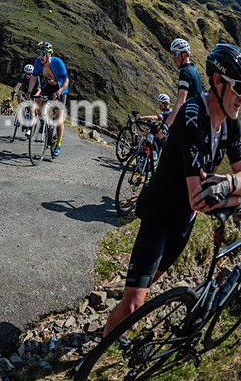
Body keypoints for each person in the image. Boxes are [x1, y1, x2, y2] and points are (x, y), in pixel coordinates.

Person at [100, 43, 241, 338]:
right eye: (239, 88)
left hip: (183, 225)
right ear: (217, 81)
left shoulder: (232, 122)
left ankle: (115, 336)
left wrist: (226, 184)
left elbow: (229, 181)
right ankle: (98, 349)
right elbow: (199, 197)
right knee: (132, 304)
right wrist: (232, 191)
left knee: (148, 287)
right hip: (159, 218)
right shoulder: (192, 116)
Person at [27, 41, 70, 158]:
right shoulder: (38, 62)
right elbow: (34, 77)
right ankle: (44, 120)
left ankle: (59, 144)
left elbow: (66, 80)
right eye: (38, 53)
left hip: (61, 88)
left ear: (49, 54)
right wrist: (29, 92)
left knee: (59, 118)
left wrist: (59, 92)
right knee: (38, 102)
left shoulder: (58, 63)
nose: (39, 56)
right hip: (49, 87)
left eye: (42, 53)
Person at [163, 38, 204, 138]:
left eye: (175, 54)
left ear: (184, 55)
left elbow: (181, 101)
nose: (173, 58)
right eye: (172, 54)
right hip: (198, 120)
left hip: (189, 122)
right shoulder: (194, 70)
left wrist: (166, 125)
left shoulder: (185, 72)